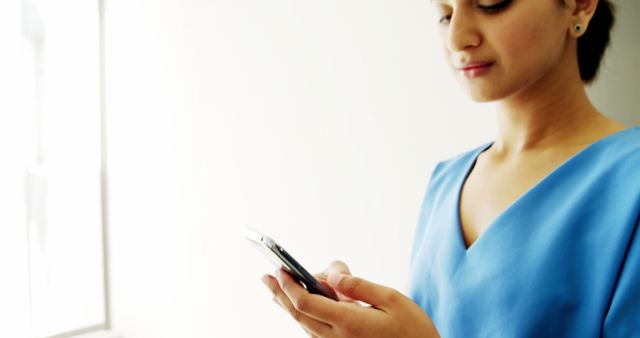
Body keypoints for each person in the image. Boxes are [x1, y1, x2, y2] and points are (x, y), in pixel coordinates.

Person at [261, 0, 640, 336]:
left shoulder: (630, 181)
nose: (458, 38)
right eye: (444, 15)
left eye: (492, 4)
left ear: (579, 6)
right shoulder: (445, 182)